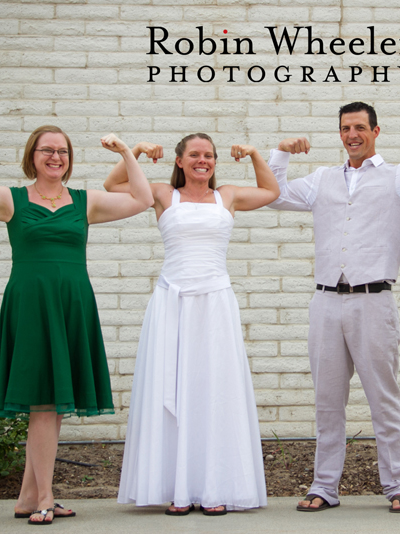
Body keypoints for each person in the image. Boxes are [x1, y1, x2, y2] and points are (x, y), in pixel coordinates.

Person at [0, 125, 153, 525]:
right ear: (32, 156)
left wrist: (126, 151)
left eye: (63, 151)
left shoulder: (84, 202)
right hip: (32, 305)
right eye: (47, 150)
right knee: (44, 403)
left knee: (52, 408)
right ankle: (45, 496)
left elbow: (142, 199)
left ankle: (26, 496)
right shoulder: (12, 200)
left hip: (72, 304)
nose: (56, 157)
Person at [267, 102, 400, 513]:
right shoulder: (322, 179)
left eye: (360, 127)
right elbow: (274, 195)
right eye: (345, 128)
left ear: (376, 131)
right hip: (325, 302)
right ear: (339, 133)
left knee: (384, 398)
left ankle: (398, 484)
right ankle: (324, 486)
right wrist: (282, 153)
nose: (352, 134)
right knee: (327, 400)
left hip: (374, 302)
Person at [105, 134, 279, 516]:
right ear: (180, 161)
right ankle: (176, 488)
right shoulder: (164, 194)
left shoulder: (228, 196)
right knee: (174, 390)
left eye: (210, 156)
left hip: (216, 304)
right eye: (195, 155)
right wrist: (132, 151)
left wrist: (252, 154)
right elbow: (114, 186)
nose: (204, 161)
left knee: (213, 391)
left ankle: (214, 486)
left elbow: (270, 190)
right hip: (172, 303)